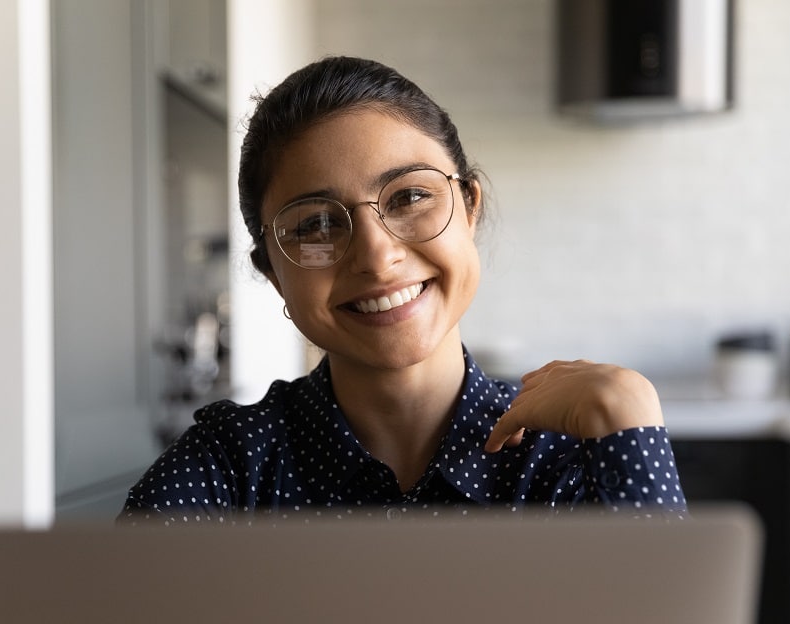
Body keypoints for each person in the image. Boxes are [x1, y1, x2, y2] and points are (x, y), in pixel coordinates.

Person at [118, 56, 686, 525]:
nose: (377, 256)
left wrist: (628, 412)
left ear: (469, 208)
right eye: (315, 224)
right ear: (274, 274)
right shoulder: (227, 470)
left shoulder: (572, 454)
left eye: (410, 197)